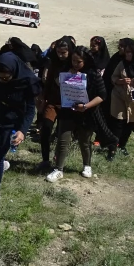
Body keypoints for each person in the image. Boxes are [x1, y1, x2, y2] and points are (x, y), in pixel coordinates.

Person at [0, 52, 39, 204]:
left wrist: (22, 131)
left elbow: (31, 110)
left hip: (13, 120)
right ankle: (1, 164)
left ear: (14, 71)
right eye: (0, 77)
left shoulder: (27, 81)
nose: (2, 80)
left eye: (6, 77)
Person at [45, 46, 107, 182]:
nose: (75, 64)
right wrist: (67, 76)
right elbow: (57, 84)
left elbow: (102, 95)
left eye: (78, 62)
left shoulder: (93, 74)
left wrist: (85, 106)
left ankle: (87, 165)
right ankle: (58, 169)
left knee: (84, 141)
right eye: (73, 60)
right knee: (63, 140)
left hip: (87, 114)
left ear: (85, 61)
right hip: (68, 111)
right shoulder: (66, 70)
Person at [38, 38, 74, 171]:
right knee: (46, 128)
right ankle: (45, 160)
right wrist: (43, 97)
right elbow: (48, 81)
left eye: (63, 53)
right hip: (53, 101)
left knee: (62, 133)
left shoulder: (74, 63)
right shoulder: (54, 62)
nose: (61, 55)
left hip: (68, 103)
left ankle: (58, 158)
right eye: (58, 52)